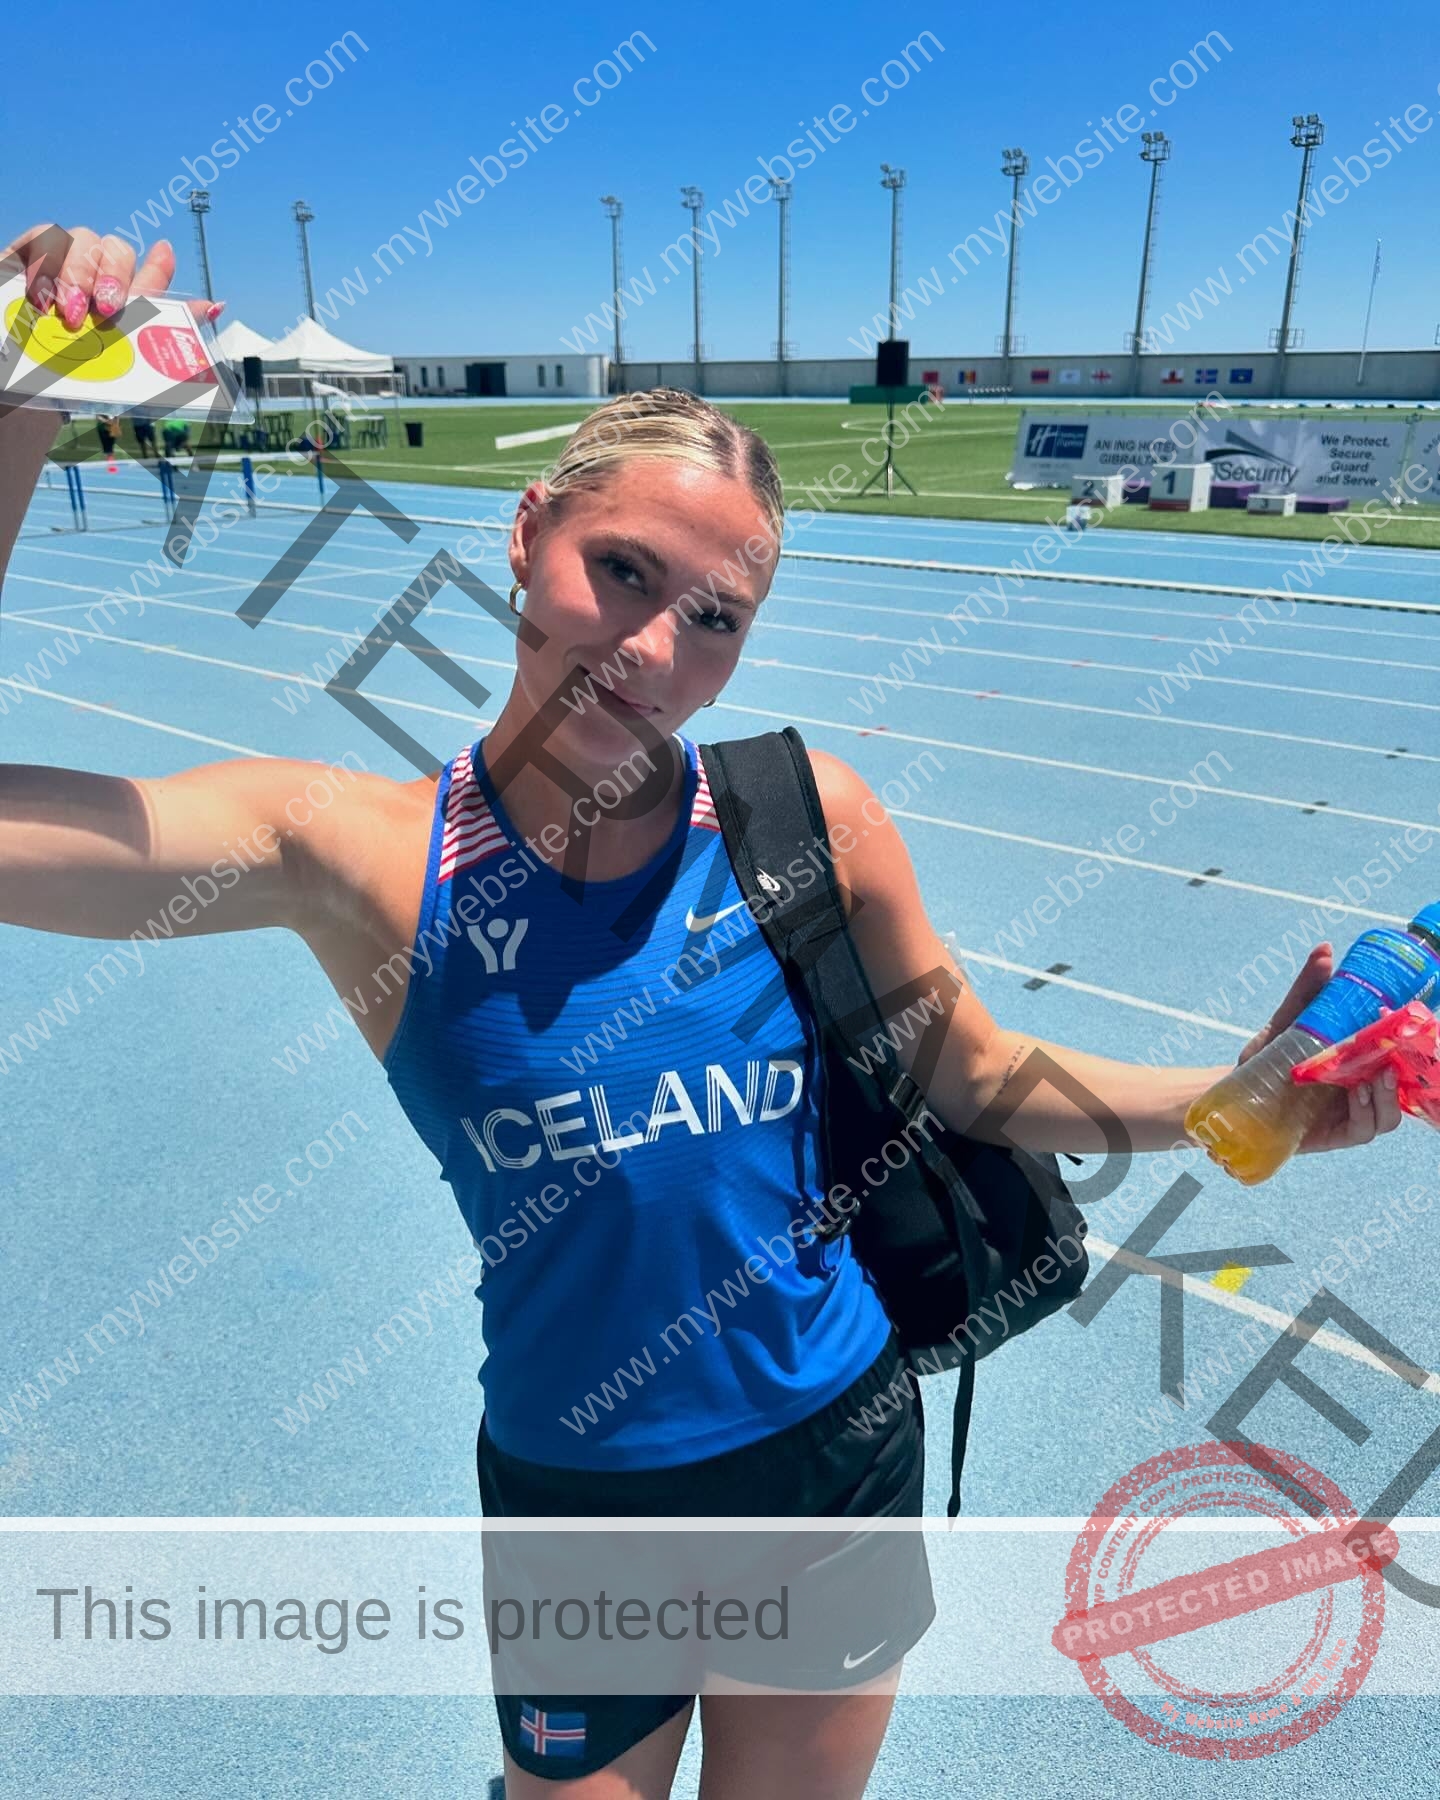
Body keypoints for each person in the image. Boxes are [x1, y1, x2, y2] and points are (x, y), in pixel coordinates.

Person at [0, 221, 1404, 1799]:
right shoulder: (355, 857)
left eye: (717, 616)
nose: (656, 647)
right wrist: (21, 396)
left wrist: (1250, 1084)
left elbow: (979, 1072)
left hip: (834, 1455)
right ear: (529, 533)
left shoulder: (806, 822)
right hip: (578, 1490)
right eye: (623, 571)